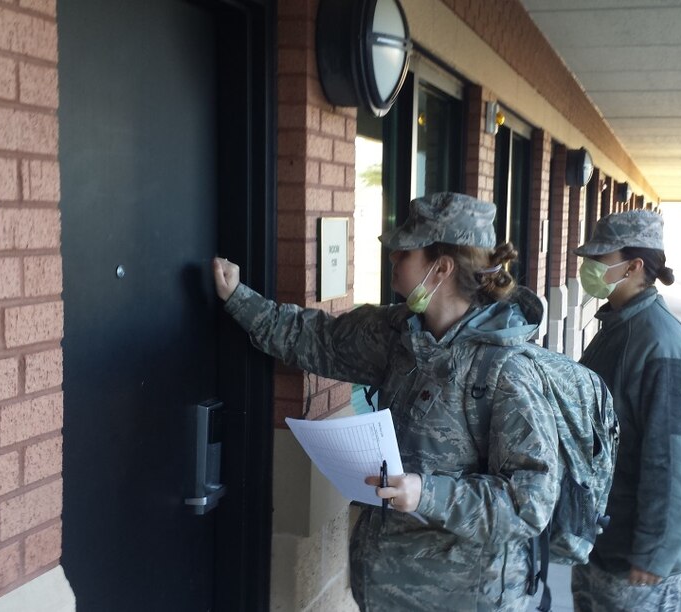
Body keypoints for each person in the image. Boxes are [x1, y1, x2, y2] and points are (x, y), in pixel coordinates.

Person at [212, 192, 560, 611]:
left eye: (404, 253)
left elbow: (530, 503)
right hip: (386, 589)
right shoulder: (400, 334)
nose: (393, 259)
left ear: (441, 267)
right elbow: (316, 338)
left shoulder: (505, 368)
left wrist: (425, 492)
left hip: (464, 598)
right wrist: (238, 298)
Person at [570, 210, 681, 612]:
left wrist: (655, 551)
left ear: (633, 266)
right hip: (602, 541)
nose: (587, 267)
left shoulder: (662, 345)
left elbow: (677, 461)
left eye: (599, 258)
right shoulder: (619, 327)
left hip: (635, 559)